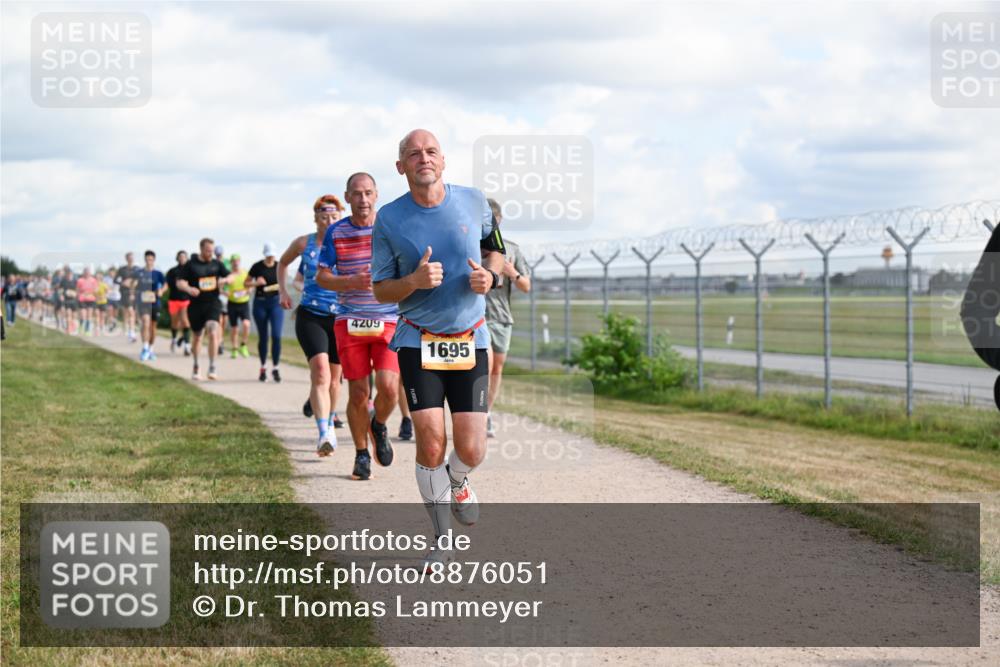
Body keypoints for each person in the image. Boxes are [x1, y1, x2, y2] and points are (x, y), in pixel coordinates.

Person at [371, 129, 505, 568]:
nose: (422, 158)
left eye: (430, 152)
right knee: (430, 443)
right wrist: (411, 281)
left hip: (471, 338)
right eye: (413, 154)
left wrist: (492, 277)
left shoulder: (474, 201)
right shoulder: (389, 219)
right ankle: (443, 538)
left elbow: (496, 252)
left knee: (471, 450)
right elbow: (379, 290)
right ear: (401, 167)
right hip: (418, 340)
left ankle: (459, 479)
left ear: (443, 161)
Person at [317, 172, 400, 481]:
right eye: (356, 194)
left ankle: (378, 424)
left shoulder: (390, 229)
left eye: (368, 193)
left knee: (390, 389)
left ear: (376, 195)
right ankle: (362, 454)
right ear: (348, 197)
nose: (363, 199)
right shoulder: (336, 232)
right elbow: (322, 276)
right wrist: (349, 281)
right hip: (349, 319)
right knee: (358, 393)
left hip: (388, 318)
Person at [278, 195, 346, 456]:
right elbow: (283, 262)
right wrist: (283, 292)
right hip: (311, 315)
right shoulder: (303, 243)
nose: (329, 220)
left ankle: (330, 420)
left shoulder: (346, 242)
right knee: (320, 373)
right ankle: (323, 433)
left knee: (335, 380)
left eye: (334, 216)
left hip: (340, 317)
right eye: (324, 215)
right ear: (316, 218)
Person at [483, 198, 532, 437]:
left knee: (496, 368)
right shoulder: (469, 246)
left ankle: (487, 413)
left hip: (502, 317)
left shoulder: (511, 249)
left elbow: (526, 286)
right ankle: (476, 412)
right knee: (485, 364)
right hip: (476, 317)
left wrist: (511, 272)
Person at [176, 238, 232, 380]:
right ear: (201, 249)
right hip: (195, 305)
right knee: (197, 336)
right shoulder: (191, 265)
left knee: (213, 330)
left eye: (212, 251)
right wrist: (189, 288)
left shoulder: (217, 264)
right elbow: (179, 282)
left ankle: (212, 366)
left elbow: (231, 276)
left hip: (213, 303)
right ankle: (196, 365)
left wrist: (225, 280)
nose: (210, 253)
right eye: (208, 250)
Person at [248, 243, 284, 382]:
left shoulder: (279, 266)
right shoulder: (257, 266)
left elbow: (285, 283)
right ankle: (263, 367)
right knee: (263, 337)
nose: (270, 258)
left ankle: (276, 367)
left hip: (275, 303)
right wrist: (256, 283)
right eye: (268, 255)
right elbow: (246, 283)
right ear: (264, 254)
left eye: (272, 255)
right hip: (260, 303)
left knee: (276, 336)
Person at [137, 250, 167, 361]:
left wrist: (162, 291)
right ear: (145, 260)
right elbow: (133, 284)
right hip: (143, 302)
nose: (149, 261)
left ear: (154, 260)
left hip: (155, 302)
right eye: (147, 259)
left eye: (151, 259)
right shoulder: (139, 273)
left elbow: (165, 284)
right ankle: (144, 347)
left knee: (153, 327)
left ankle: (151, 349)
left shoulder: (158, 274)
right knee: (145, 322)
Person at [225, 254, 251, 358]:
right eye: (233, 261)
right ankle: (234, 348)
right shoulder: (228, 274)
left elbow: (250, 285)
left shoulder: (245, 272)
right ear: (231, 263)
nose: (235, 263)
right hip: (232, 303)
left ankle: (243, 345)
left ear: (240, 261)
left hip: (244, 302)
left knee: (246, 324)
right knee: (234, 328)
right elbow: (222, 287)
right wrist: (225, 293)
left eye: (237, 261)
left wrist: (249, 290)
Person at [166, 251, 192, 355]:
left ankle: (187, 346)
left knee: (185, 321)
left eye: (184, 257)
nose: (182, 258)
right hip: (174, 299)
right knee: (175, 323)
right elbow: (170, 284)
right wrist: (178, 284)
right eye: (180, 257)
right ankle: (173, 339)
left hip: (185, 300)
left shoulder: (191, 271)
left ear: (187, 258)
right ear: (177, 258)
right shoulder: (173, 271)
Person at [115, 252, 141, 342]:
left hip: (134, 292)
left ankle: (132, 332)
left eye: (132, 258)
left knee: (131, 312)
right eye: (129, 258)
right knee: (127, 312)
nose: (131, 259)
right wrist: (122, 283)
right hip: (124, 292)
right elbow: (115, 280)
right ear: (126, 259)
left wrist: (135, 283)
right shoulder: (122, 269)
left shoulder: (137, 269)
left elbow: (141, 279)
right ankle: (128, 329)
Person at [76, 266, 99, 335]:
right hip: (82, 299)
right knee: (83, 315)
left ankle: (87, 330)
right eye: (85, 272)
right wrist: (80, 294)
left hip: (91, 299)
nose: (87, 273)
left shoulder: (93, 280)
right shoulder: (80, 280)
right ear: (83, 273)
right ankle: (80, 326)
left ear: (90, 273)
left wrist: (89, 292)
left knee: (89, 315)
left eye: (88, 272)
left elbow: (96, 289)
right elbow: (77, 290)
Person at [106, 267, 120, 332]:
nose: (111, 273)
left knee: (115, 313)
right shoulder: (106, 279)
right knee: (110, 310)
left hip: (117, 298)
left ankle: (114, 323)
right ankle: (110, 325)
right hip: (109, 297)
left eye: (113, 272)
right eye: (110, 272)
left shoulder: (119, 279)